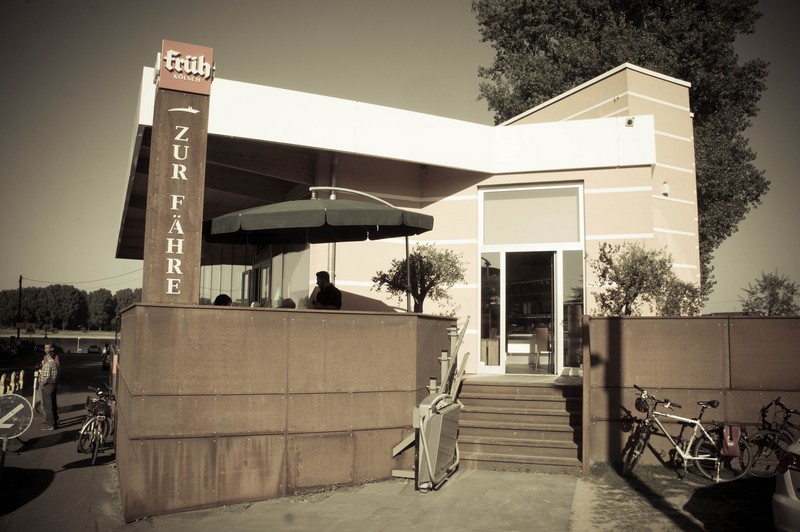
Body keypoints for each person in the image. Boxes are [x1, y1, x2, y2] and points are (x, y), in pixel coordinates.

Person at [39, 342, 60, 430]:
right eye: (45, 348)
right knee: (52, 404)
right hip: (53, 384)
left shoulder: (49, 363)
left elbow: (47, 376)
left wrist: (41, 384)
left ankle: (50, 424)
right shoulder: (53, 363)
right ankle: (54, 422)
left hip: (48, 385)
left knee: (48, 406)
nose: (46, 350)